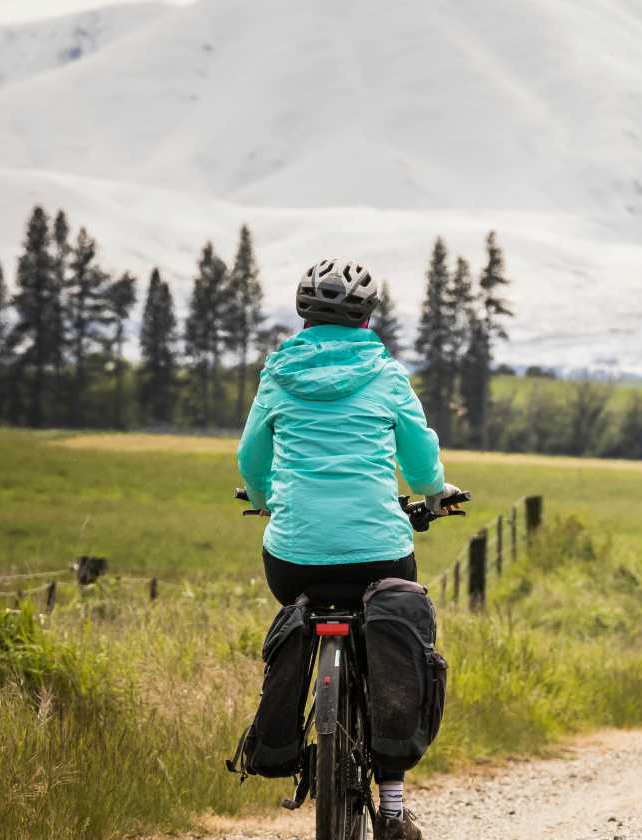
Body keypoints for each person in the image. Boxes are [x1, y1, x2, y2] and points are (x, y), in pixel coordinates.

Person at [236, 259, 459, 840]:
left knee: (300, 607)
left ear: (303, 316)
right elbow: (419, 458)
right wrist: (434, 494)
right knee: (392, 629)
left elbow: (250, 458)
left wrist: (262, 497)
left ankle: (286, 736)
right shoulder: (386, 376)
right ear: (366, 318)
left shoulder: (277, 375)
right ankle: (393, 809)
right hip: (378, 552)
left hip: (293, 560)